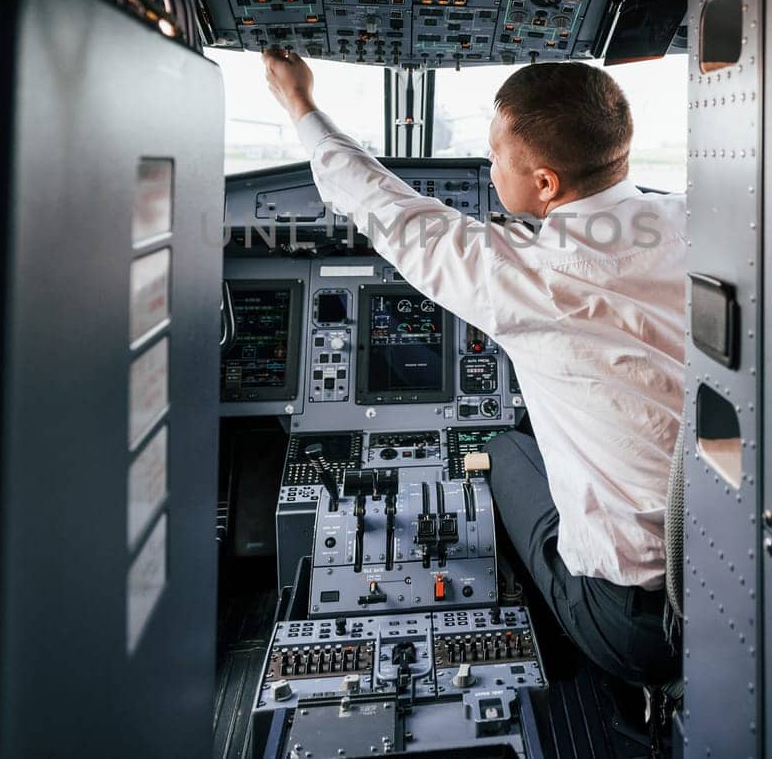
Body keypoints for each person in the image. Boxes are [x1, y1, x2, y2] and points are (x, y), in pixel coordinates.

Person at [261, 47, 685, 687]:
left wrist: (299, 101)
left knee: (499, 449)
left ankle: (543, 652)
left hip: (639, 629)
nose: (488, 171)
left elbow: (388, 210)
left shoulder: (533, 277)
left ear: (545, 183)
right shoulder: (707, 222)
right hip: (741, 577)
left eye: (494, 158)